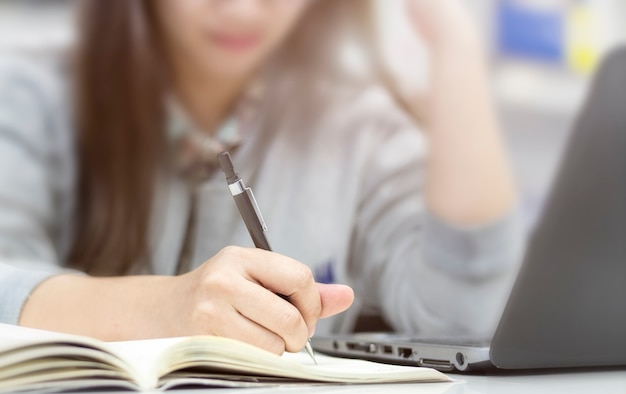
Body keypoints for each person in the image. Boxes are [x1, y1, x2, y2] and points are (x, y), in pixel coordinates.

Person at [0, 0, 520, 355]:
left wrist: (456, 46)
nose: (244, 9)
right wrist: (168, 308)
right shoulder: (31, 89)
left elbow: (467, 320)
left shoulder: (360, 124)